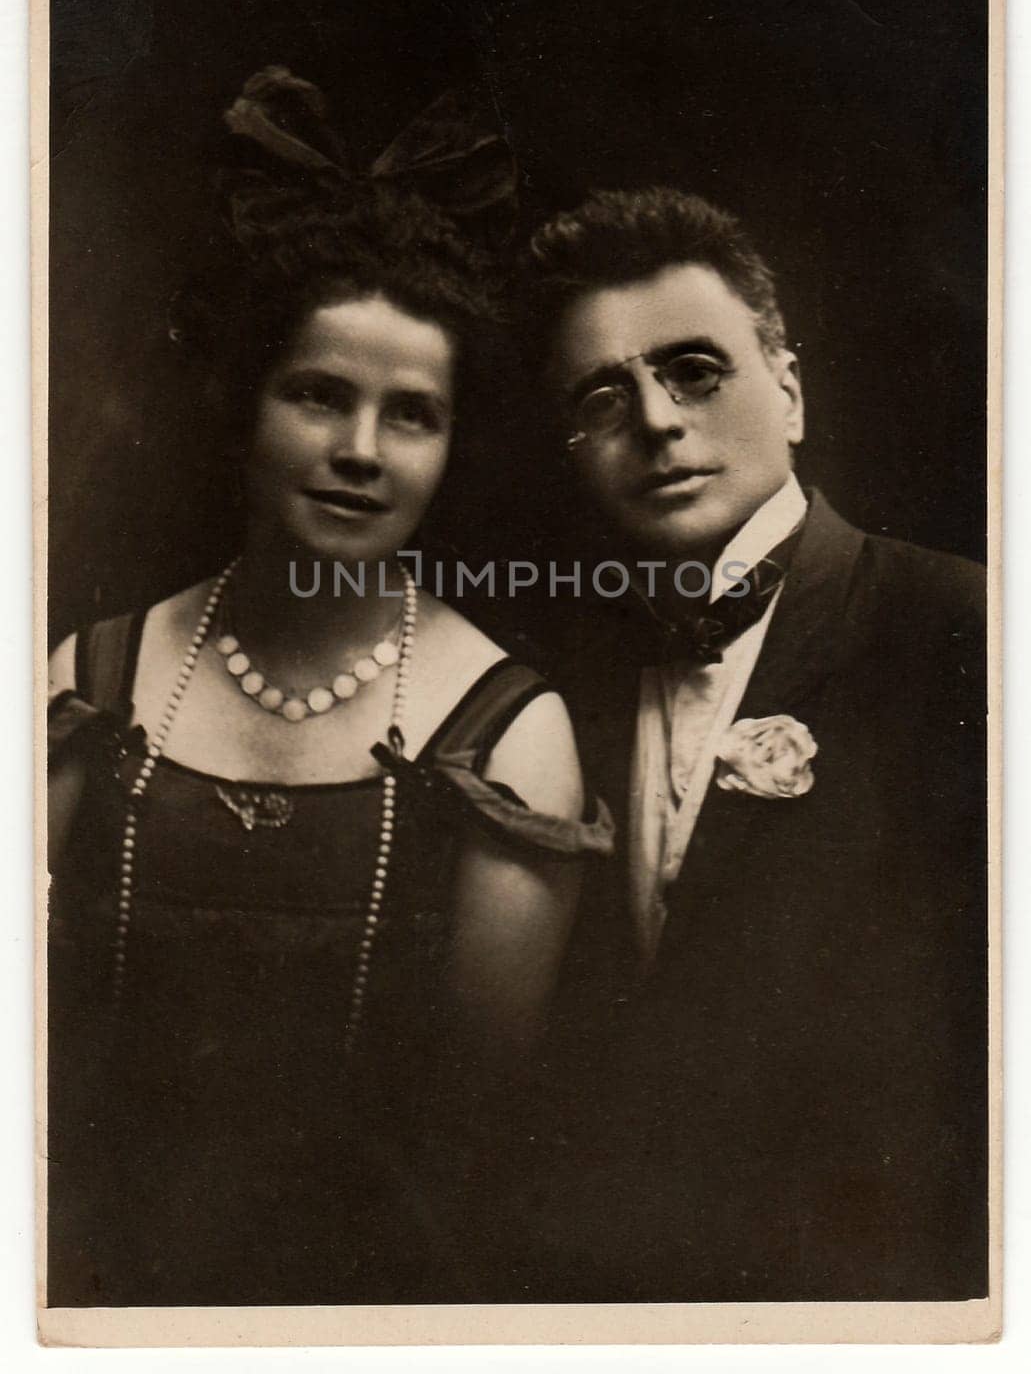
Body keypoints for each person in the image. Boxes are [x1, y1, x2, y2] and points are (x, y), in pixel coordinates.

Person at [45, 69, 611, 1308]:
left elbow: (473, 1119)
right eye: (318, 395)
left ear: (451, 448)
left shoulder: (511, 733)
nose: (360, 451)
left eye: (411, 415)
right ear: (243, 408)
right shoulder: (87, 676)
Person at [525, 186, 987, 1302]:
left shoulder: (962, 633)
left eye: (692, 370)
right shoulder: (553, 685)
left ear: (787, 388)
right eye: (602, 394)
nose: (656, 419)